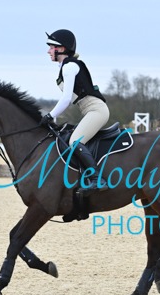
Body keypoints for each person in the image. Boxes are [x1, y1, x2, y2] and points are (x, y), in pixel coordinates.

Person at [40, 29, 110, 195]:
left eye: (51, 47)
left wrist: (50, 115)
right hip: (89, 110)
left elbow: (66, 99)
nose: (48, 51)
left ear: (62, 49)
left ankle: (97, 179)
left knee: (75, 142)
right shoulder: (65, 66)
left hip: (96, 110)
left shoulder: (70, 67)